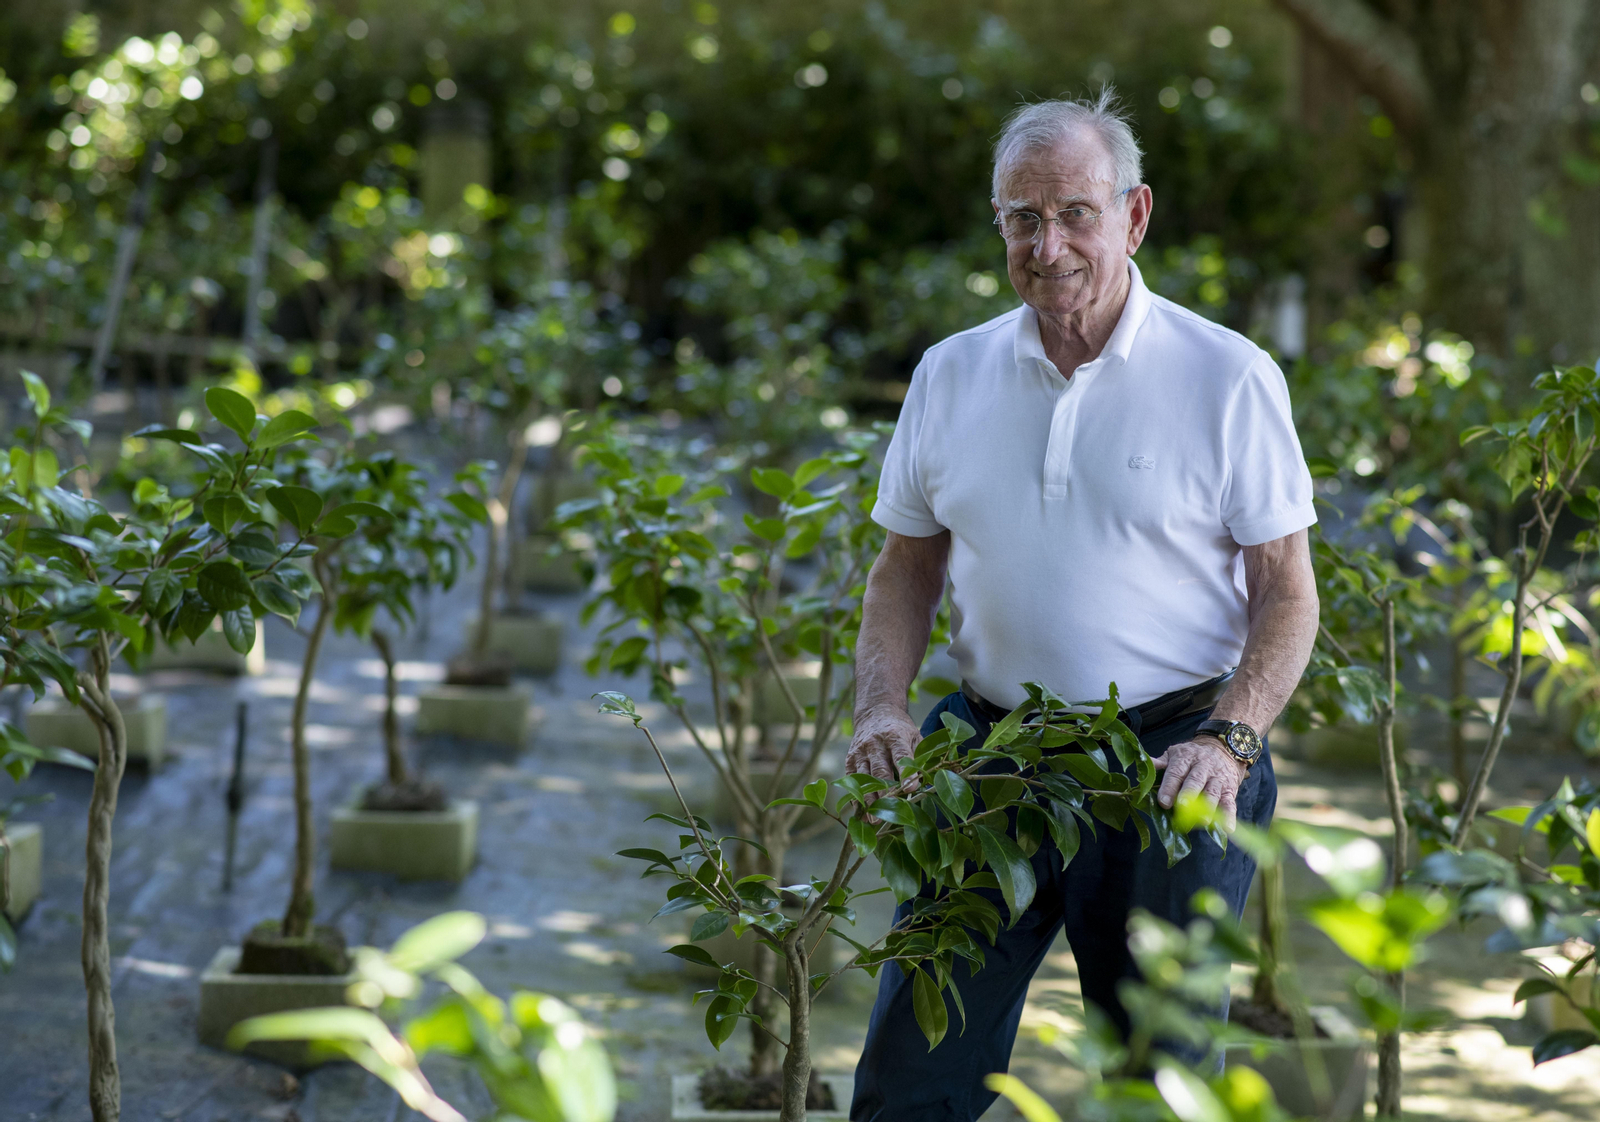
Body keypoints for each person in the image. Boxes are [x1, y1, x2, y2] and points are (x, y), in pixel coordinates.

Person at [845, 90, 1321, 1122]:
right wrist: (881, 707)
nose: (1045, 242)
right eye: (1021, 216)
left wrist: (1230, 742)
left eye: (1074, 212)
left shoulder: (1226, 377)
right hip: (982, 755)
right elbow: (904, 566)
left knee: (1158, 1076)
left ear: (1134, 216)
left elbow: (1285, 590)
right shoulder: (949, 372)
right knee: (908, 1077)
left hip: (1170, 764)